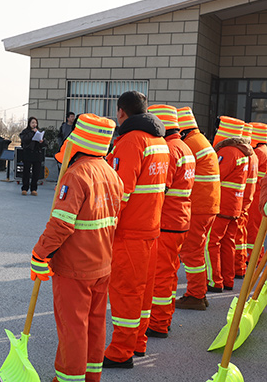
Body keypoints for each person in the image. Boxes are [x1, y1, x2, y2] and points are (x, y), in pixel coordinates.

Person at [31, 113, 123, 382]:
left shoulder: (76, 175)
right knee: (95, 325)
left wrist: (39, 254)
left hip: (74, 268)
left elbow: (61, 224)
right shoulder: (112, 174)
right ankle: (91, 377)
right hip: (102, 265)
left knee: (73, 328)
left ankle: (69, 378)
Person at [103, 91, 169, 369]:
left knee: (126, 292)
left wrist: (104, 227)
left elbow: (121, 192)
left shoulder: (131, 141)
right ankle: (137, 342)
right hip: (151, 228)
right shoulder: (160, 141)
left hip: (129, 231)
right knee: (142, 291)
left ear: (121, 112)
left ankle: (121, 351)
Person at [145, 105, 195, 338]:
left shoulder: (169, 149)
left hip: (167, 221)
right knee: (170, 272)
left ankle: (158, 323)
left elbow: (160, 188)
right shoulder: (184, 146)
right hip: (180, 219)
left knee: (162, 274)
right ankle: (164, 316)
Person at [175, 107, 221, 311]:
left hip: (199, 206)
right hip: (208, 205)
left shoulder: (190, 144)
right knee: (197, 250)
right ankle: (199, 292)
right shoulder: (199, 140)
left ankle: (195, 295)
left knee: (191, 252)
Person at [207, 116, 251, 293]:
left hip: (222, 205)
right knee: (228, 243)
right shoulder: (243, 152)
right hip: (234, 206)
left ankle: (215, 281)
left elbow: (215, 175)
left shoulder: (228, 152)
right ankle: (228, 279)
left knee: (212, 243)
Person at [234, 125, 259, 278]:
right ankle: (243, 264)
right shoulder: (254, 154)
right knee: (243, 234)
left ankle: (241, 264)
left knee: (239, 235)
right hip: (248, 197)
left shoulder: (248, 153)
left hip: (239, 199)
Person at [246, 122, 267, 262]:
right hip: (258, 193)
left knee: (253, 229)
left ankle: (254, 258)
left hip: (257, 194)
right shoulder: (264, 150)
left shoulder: (259, 152)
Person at [19, 117, 45, 196]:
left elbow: (44, 144)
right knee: (26, 172)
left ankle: (33, 189)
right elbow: (25, 140)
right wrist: (32, 133)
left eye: (35, 123)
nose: (34, 124)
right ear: (29, 123)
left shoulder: (39, 131)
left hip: (37, 154)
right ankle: (25, 188)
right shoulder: (25, 132)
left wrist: (42, 142)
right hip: (28, 153)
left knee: (36, 172)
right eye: (32, 123)